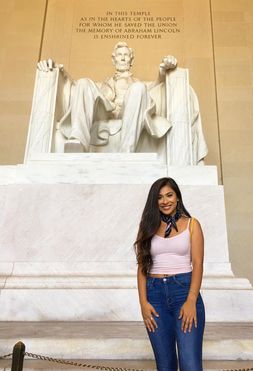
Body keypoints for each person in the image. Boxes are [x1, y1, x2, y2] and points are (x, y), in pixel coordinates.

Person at [37, 42, 208, 162]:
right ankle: (78, 141)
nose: (123, 58)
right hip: (106, 109)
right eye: (120, 55)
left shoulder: (139, 85)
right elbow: (74, 89)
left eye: (126, 55)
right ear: (113, 59)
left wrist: (163, 72)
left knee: (139, 88)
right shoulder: (101, 85)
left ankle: (127, 151)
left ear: (131, 60)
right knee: (83, 82)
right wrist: (59, 71)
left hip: (131, 110)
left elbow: (155, 90)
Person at [134, 177, 205, 371]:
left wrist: (191, 300)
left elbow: (198, 264)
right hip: (154, 297)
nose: (165, 201)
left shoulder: (192, 225)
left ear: (178, 197)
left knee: (190, 365)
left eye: (169, 195)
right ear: (154, 201)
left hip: (184, 292)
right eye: (159, 197)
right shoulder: (147, 227)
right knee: (165, 366)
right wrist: (143, 303)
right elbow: (142, 267)